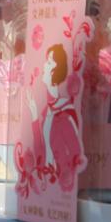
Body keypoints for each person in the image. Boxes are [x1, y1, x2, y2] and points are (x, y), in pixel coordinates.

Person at [27, 43, 84, 191]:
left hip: (58, 188)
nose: (44, 66)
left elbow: (76, 155)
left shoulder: (64, 113)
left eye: (49, 62)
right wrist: (34, 116)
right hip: (45, 187)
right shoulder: (46, 111)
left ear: (55, 70)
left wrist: (63, 176)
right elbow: (40, 153)